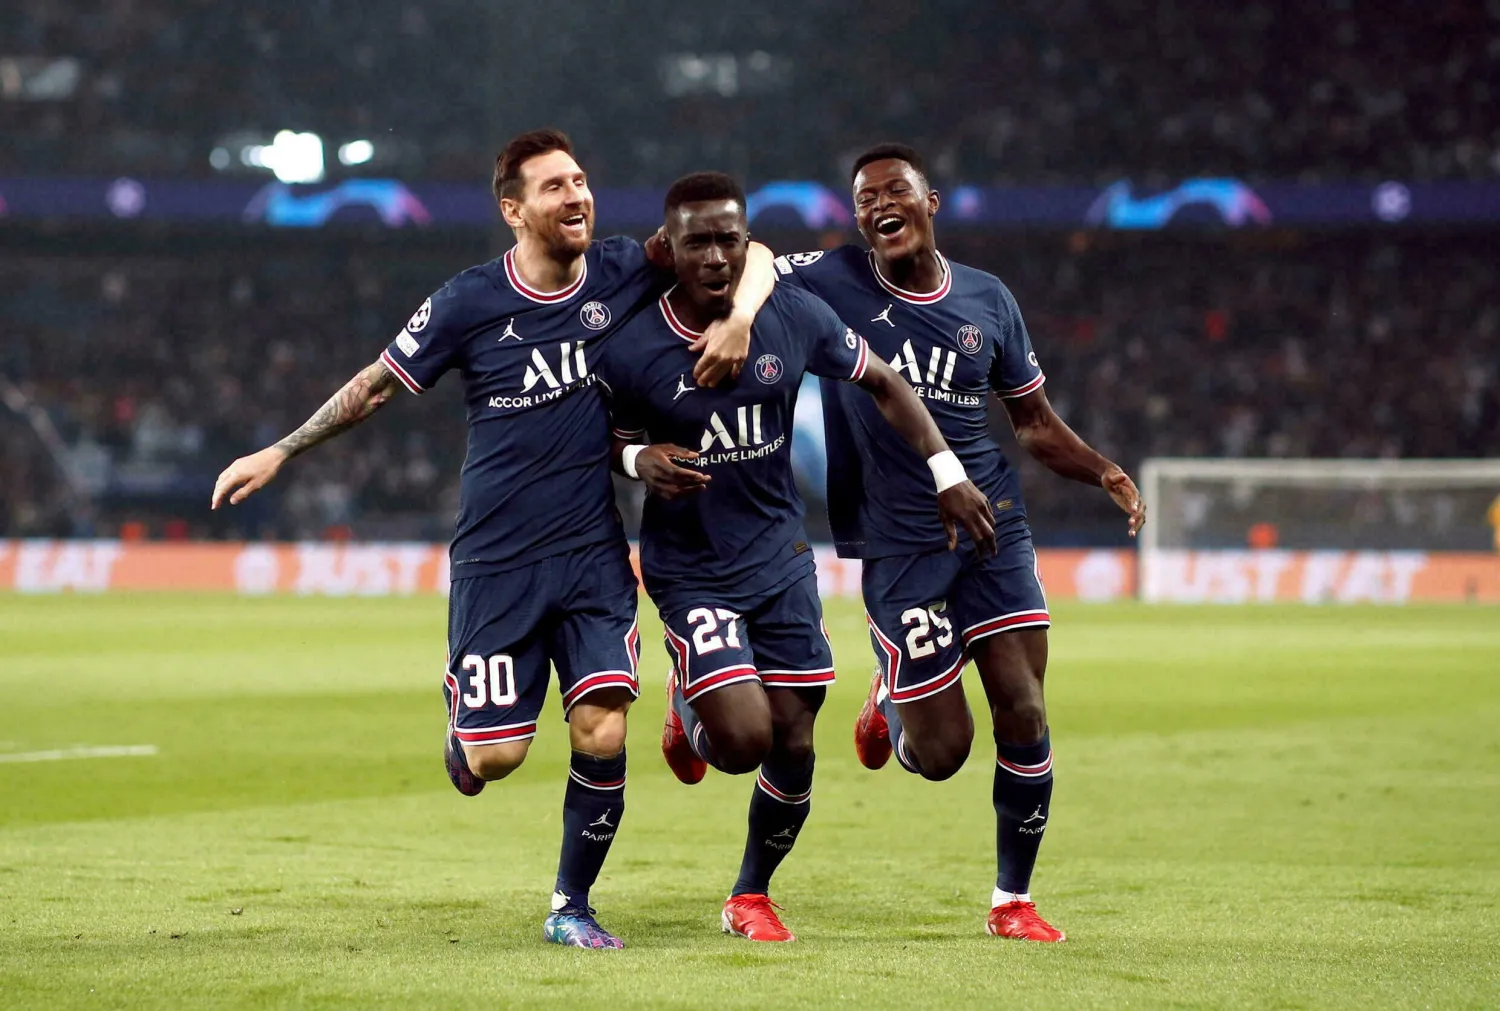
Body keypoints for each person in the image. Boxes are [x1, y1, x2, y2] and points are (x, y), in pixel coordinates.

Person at [211, 129, 775, 949]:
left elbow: (741, 248)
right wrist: (281, 449)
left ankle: (570, 905)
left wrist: (744, 318)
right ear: (513, 210)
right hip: (496, 561)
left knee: (603, 725)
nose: (576, 195)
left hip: (590, 551)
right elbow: (375, 386)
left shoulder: (625, 268)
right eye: (553, 187)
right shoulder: (468, 301)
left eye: (580, 179)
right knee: (496, 758)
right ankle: (466, 734)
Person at [593, 171, 994, 943]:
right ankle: (689, 704)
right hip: (694, 566)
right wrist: (638, 459)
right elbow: (596, 440)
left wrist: (948, 470)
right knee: (743, 741)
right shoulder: (633, 344)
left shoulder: (791, 315)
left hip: (779, 560)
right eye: (696, 242)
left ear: (747, 245)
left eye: (727, 240)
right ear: (668, 251)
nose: (714, 256)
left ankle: (751, 893)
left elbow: (882, 379)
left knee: (798, 740)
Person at [774, 143, 1146, 943]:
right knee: (941, 752)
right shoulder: (831, 278)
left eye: (895, 190)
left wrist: (1102, 469)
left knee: (1025, 704)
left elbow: (1035, 423)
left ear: (930, 202)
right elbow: (754, 262)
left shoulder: (987, 298)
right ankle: (892, 699)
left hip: (990, 523)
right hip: (897, 541)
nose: (880, 204)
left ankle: (1012, 900)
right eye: (864, 197)